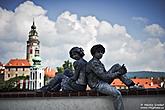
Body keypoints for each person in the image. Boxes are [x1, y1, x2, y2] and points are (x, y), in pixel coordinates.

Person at [86, 44, 127, 110]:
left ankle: (131, 85)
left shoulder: (99, 62)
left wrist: (118, 72)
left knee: (117, 66)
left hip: (102, 81)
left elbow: (105, 76)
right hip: (97, 85)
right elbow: (104, 77)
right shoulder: (93, 63)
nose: (101, 54)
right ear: (93, 53)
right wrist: (119, 73)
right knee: (117, 94)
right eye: (98, 52)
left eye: (102, 52)